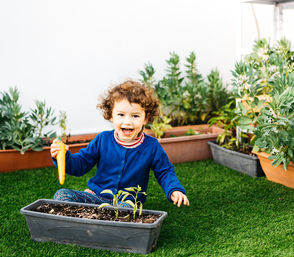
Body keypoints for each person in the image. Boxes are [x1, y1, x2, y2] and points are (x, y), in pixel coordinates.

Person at [50, 80, 190, 208]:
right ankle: (90, 218)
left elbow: (165, 171)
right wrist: (62, 157)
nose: (127, 122)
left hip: (127, 203)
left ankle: (102, 220)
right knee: (62, 195)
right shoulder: (102, 140)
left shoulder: (152, 146)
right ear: (111, 115)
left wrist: (174, 189)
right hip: (95, 197)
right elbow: (80, 165)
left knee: (126, 209)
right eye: (121, 115)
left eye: (135, 116)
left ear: (145, 118)